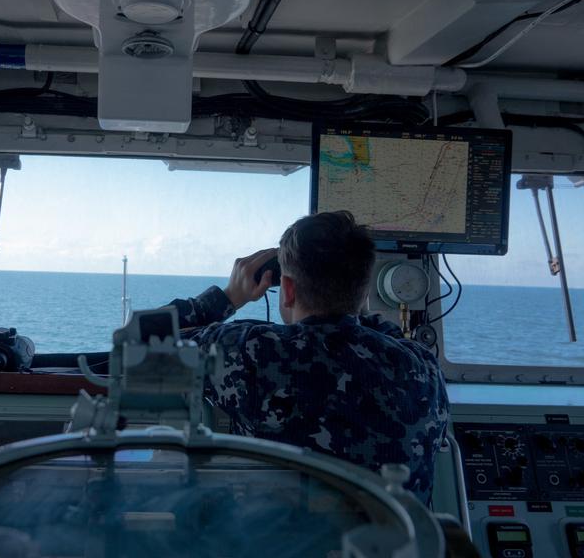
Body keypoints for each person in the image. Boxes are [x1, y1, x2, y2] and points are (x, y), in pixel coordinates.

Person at [167, 211, 449, 503]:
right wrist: (348, 299)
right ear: (363, 290)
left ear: (287, 289)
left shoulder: (248, 352)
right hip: (397, 547)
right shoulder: (422, 368)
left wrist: (229, 296)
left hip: (285, 546)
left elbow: (139, 343)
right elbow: (383, 336)